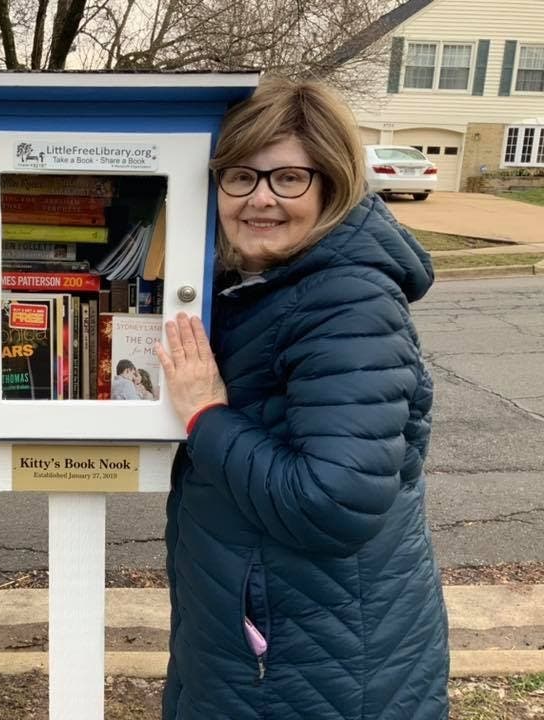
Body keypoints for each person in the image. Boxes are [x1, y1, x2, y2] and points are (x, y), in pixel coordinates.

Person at [155, 77, 449, 720]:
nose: (260, 198)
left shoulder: (348, 303)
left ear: (331, 187)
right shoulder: (265, 287)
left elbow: (335, 503)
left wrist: (205, 413)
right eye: (241, 176)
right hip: (280, 645)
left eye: (288, 178)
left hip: (315, 666)